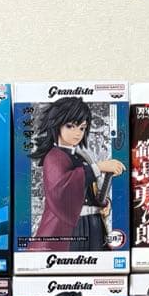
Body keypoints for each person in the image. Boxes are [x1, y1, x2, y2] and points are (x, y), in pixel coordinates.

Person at [29, 96, 125, 250]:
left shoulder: (81, 157)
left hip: (92, 224)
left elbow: (88, 192)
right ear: (56, 125)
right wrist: (98, 167)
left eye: (82, 128)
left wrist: (103, 203)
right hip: (71, 228)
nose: (77, 133)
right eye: (70, 126)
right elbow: (62, 189)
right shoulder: (54, 157)